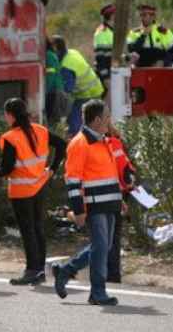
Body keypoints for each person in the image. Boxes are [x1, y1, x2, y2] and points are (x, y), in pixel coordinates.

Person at [52, 99, 121, 306]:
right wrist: (78, 210)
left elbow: (109, 173)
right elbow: (73, 180)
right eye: (107, 117)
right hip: (94, 206)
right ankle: (98, 292)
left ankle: (65, 270)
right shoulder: (79, 144)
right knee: (100, 246)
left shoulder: (103, 140)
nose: (110, 120)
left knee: (103, 247)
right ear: (98, 120)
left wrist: (119, 199)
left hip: (109, 203)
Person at [0, 98, 66, 285]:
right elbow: (62, 145)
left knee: (28, 231)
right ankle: (39, 270)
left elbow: (7, 168)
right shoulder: (40, 130)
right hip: (39, 185)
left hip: (21, 190)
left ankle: (32, 270)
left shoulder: (10, 137)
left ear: (10, 115)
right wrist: (52, 169)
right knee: (37, 228)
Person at [52, 35, 104, 137]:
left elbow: (67, 89)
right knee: (79, 119)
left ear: (57, 50)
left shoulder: (66, 66)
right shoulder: (72, 52)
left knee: (74, 122)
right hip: (95, 90)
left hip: (86, 95)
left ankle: (77, 141)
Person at [104, 125, 137, 284]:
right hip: (120, 192)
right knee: (114, 236)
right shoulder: (117, 142)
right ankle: (113, 274)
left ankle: (106, 273)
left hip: (105, 194)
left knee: (103, 237)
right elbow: (126, 171)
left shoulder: (101, 144)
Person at [93, 4, 115, 85]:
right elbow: (100, 57)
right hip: (106, 74)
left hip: (113, 72)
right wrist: (105, 77)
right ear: (111, 16)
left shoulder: (112, 31)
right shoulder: (102, 32)